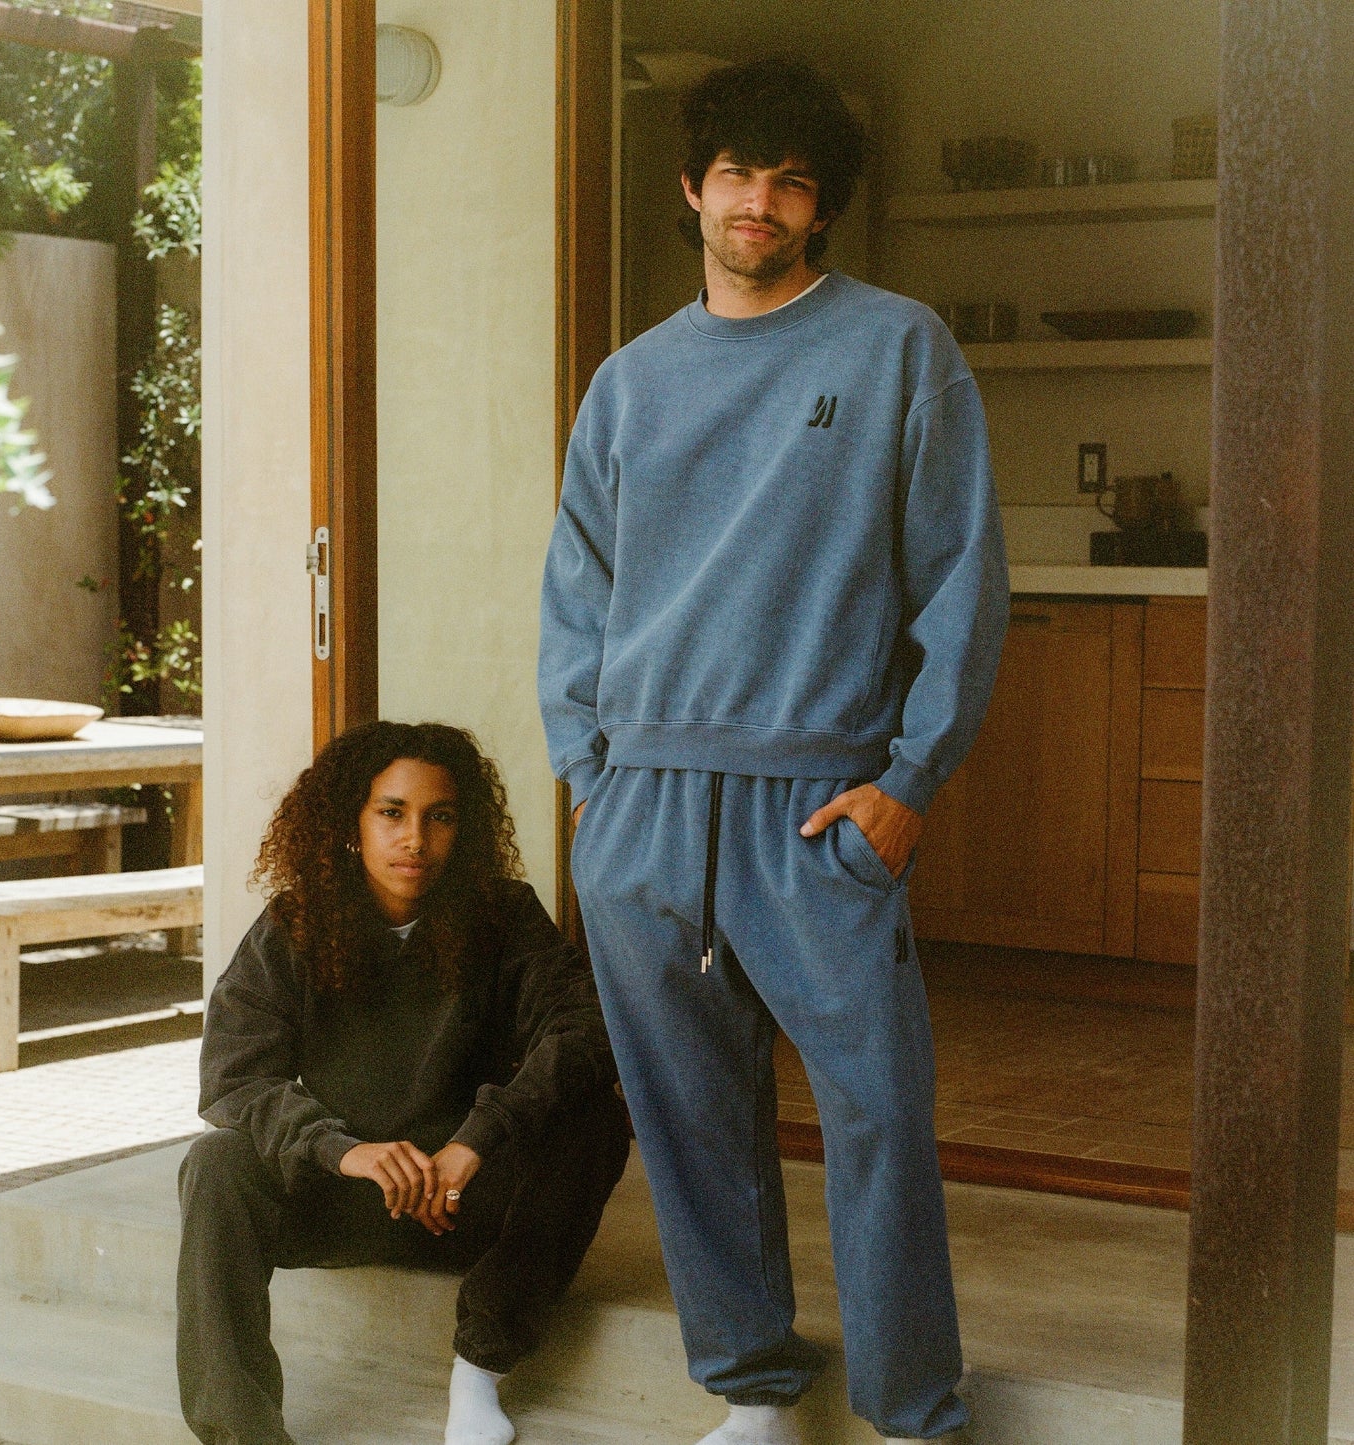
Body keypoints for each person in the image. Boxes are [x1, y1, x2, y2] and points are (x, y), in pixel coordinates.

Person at [539, 56, 1008, 1445]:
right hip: (643, 807)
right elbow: (577, 592)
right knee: (687, 1118)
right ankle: (748, 1387)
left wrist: (909, 780)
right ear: (693, 189)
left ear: (820, 208)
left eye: (790, 180)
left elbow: (962, 578)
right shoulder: (629, 384)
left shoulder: (894, 348)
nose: (759, 200)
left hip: (820, 806)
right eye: (736, 173)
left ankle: (912, 1407)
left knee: (877, 1112)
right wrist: (593, 782)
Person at [176, 721, 629, 1445]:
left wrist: (476, 1140)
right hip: (342, 1195)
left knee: (595, 1121)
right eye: (391, 812)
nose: (414, 837)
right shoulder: (294, 925)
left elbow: (585, 1025)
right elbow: (232, 1077)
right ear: (351, 822)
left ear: (463, 827)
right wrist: (339, 1148)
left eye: (438, 815)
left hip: (460, 1200)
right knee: (216, 1162)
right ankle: (243, 1434)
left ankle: (477, 1370)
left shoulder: (502, 914)